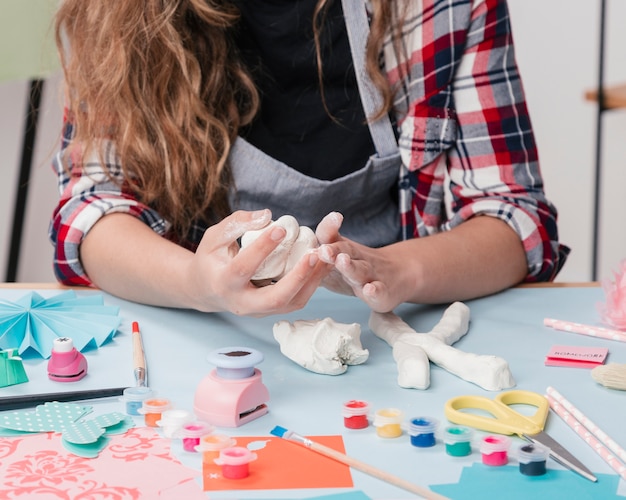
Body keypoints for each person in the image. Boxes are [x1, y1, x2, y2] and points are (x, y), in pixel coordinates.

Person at [49, 0, 569, 317]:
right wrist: (199, 284)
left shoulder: (441, 8)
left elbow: (515, 220)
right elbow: (92, 213)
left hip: (396, 319)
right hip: (199, 323)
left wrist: (397, 270)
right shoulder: (121, 14)